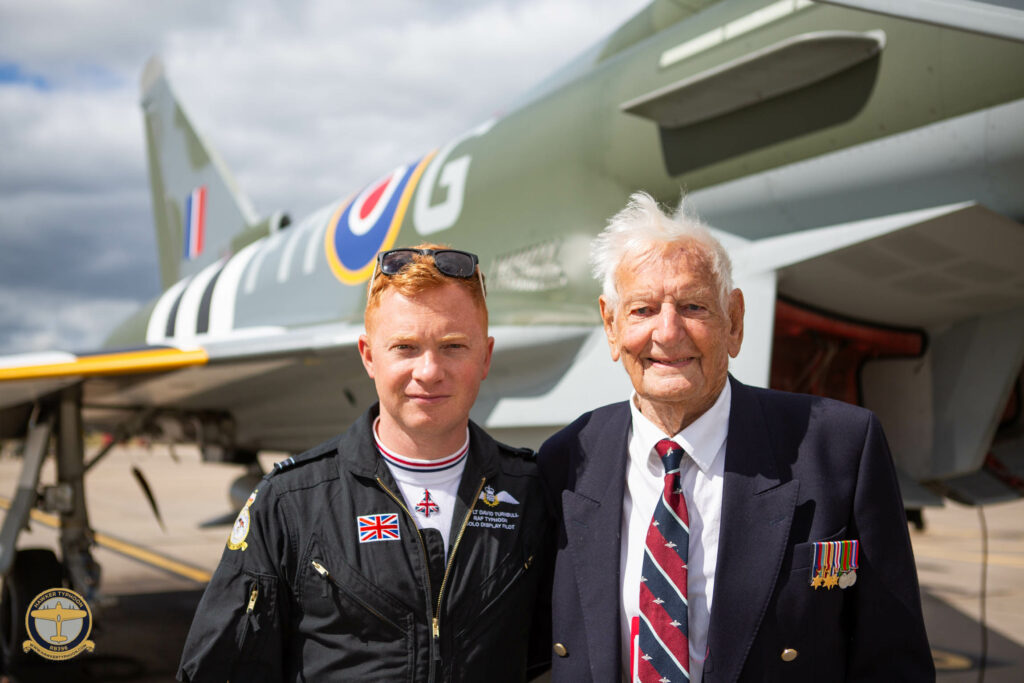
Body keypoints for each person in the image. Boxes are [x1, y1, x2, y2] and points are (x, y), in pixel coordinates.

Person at [537, 194, 933, 682]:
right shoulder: (566, 463)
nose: (668, 331)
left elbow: (894, 662)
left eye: (693, 306)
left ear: (735, 322)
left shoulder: (840, 448)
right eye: (642, 310)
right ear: (612, 327)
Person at [179, 244, 551, 682]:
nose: (429, 371)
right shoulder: (291, 505)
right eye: (405, 347)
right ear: (369, 356)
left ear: (485, 356)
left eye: (453, 346)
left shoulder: (532, 495)